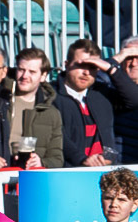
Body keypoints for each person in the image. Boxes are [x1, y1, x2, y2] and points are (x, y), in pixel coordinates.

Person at [54, 38, 138, 167]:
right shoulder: (51, 94)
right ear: (66, 64)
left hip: (106, 171)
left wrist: (111, 68)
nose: (86, 72)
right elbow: (56, 136)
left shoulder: (101, 93)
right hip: (69, 172)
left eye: (92, 66)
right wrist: (82, 159)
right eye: (80, 65)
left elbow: (134, 100)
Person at [7, 47, 63, 168]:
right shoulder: (1, 100)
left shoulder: (52, 114)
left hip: (30, 179)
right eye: (21, 70)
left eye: (32, 72)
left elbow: (57, 158)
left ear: (43, 76)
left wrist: (41, 162)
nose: (25, 76)